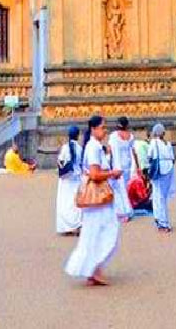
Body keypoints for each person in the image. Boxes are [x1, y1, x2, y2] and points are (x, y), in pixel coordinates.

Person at [65, 115, 123, 287]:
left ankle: (93, 269)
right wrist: (113, 173)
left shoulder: (96, 147)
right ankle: (94, 269)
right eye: (102, 127)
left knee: (95, 233)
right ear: (93, 129)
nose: (105, 131)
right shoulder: (93, 148)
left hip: (98, 200)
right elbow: (95, 174)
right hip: (98, 199)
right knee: (106, 232)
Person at [147, 123, 176, 232]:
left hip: (159, 170)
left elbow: (149, 156)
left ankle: (163, 222)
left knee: (158, 196)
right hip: (169, 169)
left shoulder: (153, 143)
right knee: (162, 196)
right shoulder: (167, 144)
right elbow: (173, 159)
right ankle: (161, 220)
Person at [56, 126, 83, 235]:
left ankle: (67, 226)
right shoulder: (80, 148)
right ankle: (77, 225)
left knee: (64, 202)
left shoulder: (65, 147)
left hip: (66, 179)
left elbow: (60, 162)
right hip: (76, 178)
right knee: (75, 202)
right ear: (77, 135)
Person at [107, 117, 135, 222]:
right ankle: (127, 208)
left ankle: (123, 211)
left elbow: (109, 150)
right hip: (127, 164)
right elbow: (133, 151)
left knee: (119, 189)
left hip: (117, 165)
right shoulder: (130, 136)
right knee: (125, 188)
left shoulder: (113, 136)